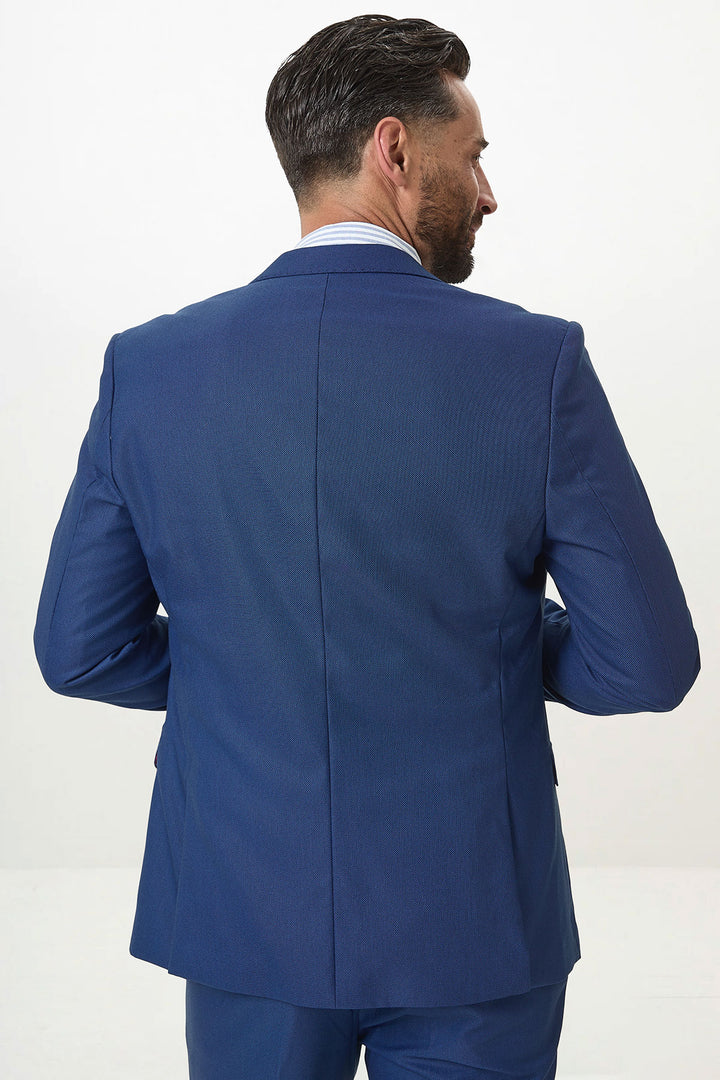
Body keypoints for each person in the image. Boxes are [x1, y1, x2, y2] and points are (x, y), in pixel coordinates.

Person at [34, 14, 700, 1080]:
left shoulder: (149, 367)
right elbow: (648, 666)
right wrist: (478, 641)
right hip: (475, 918)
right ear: (394, 148)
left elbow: (81, 650)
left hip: (245, 909)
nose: (488, 192)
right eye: (473, 156)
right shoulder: (536, 363)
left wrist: (257, 658)